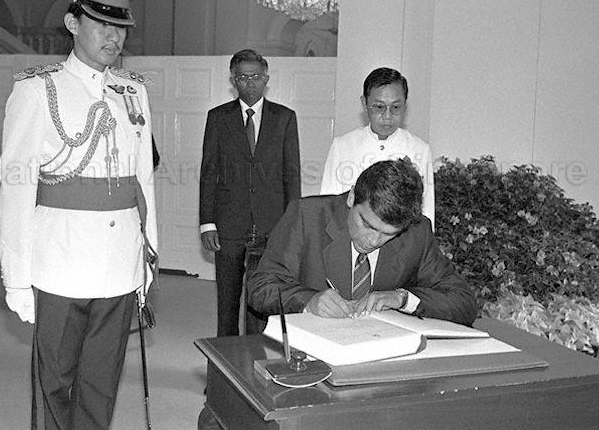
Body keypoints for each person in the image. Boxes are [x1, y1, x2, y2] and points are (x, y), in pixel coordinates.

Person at [0, 0, 158, 430]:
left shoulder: (133, 91)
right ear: (72, 23)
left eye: (121, 28)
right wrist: (17, 278)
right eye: (102, 25)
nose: (114, 38)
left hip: (120, 262)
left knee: (101, 382)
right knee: (55, 382)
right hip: (60, 262)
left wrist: (148, 259)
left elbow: (143, 184)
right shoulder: (37, 89)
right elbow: (16, 186)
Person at [248, 158, 476, 325]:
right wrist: (308, 301)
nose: (373, 240)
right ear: (351, 197)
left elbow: (463, 301)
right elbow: (260, 287)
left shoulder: (417, 232)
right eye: (366, 224)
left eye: (389, 234)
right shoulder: (306, 216)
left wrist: (401, 298)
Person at [199, 49, 301, 337]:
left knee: (262, 303)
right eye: (242, 77)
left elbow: (291, 174)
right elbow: (209, 172)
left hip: (271, 226)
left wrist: (292, 226)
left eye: (256, 76)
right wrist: (207, 223)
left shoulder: (285, 118)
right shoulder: (218, 118)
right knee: (227, 304)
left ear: (266, 78)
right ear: (233, 80)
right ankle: (222, 377)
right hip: (229, 224)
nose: (250, 83)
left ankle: (254, 371)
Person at [320, 67, 435, 226]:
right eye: (379, 107)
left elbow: (426, 212)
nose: (387, 116)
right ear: (365, 104)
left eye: (396, 107)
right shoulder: (343, 146)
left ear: (405, 106)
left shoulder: (419, 149)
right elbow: (328, 205)